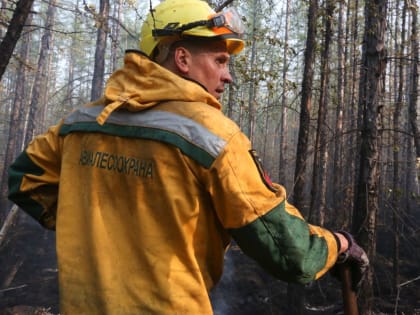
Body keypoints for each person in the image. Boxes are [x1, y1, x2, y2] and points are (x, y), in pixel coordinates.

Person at [8, 0, 369, 313]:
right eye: (221, 60)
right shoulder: (215, 135)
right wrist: (338, 245)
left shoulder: (80, 122)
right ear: (182, 58)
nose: (227, 77)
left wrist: (92, 230)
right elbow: (291, 256)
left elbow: (23, 180)